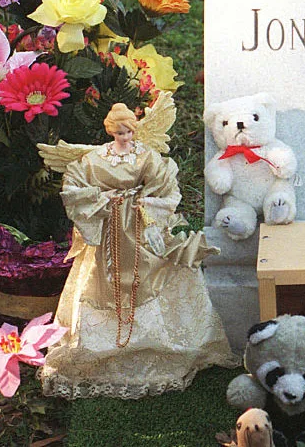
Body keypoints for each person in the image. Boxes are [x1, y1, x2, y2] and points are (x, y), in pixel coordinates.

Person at [38, 103, 236, 399]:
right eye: (120, 132)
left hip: (141, 227)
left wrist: (147, 203)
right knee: (99, 282)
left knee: (154, 273)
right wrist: (101, 199)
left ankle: (156, 344)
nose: (125, 136)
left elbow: (165, 185)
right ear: (111, 130)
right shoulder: (94, 158)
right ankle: (106, 348)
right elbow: (75, 185)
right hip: (107, 229)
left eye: (129, 130)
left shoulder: (145, 156)